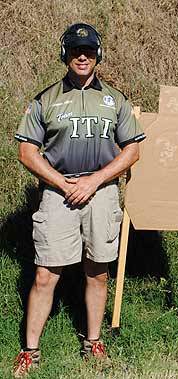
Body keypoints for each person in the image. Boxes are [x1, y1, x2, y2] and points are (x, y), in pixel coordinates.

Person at [12, 23, 145, 377]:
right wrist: (62, 183)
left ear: (97, 54)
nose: (81, 56)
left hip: (101, 194)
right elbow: (27, 151)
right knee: (45, 274)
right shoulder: (46, 98)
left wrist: (96, 180)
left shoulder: (115, 99)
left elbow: (132, 150)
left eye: (87, 50)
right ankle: (30, 351)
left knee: (97, 271)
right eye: (74, 50)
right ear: (65, 55)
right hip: (58, 194)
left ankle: (93, 342)